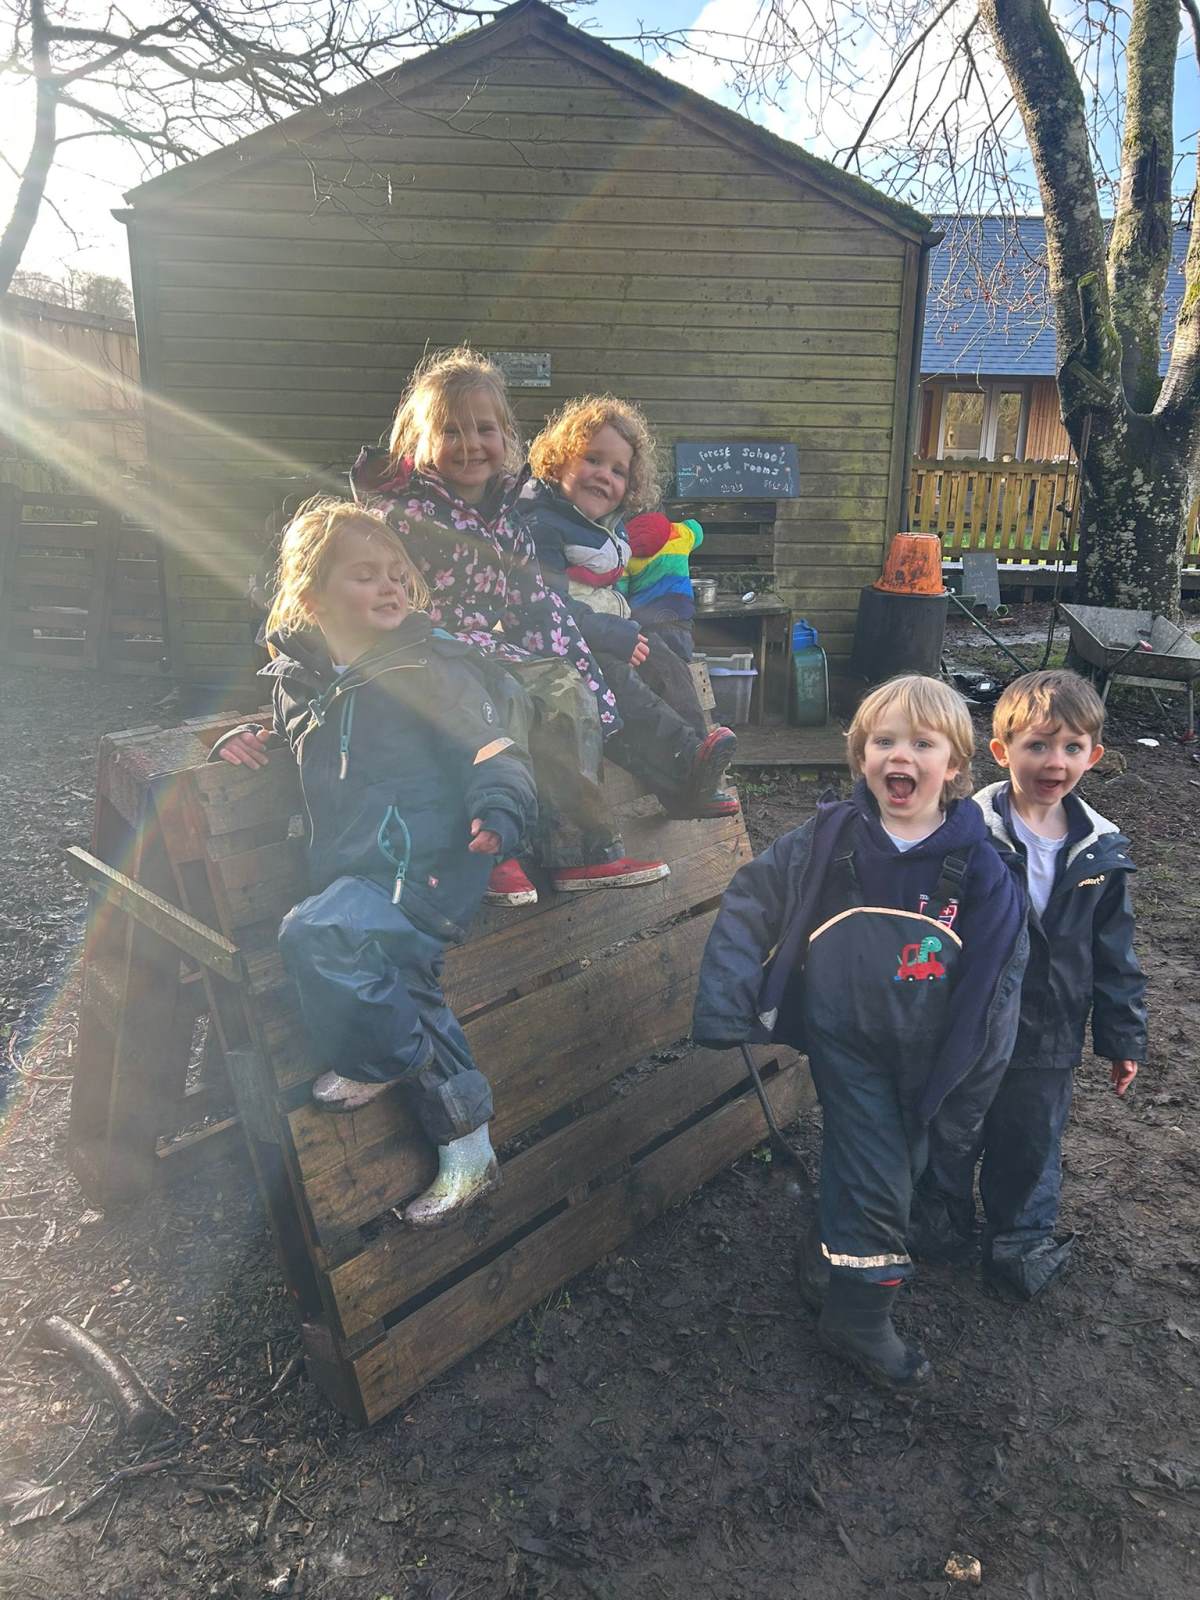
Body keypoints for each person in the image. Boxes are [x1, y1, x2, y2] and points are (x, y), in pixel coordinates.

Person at [693, 675, 1028, 1392]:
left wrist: (962, 1084)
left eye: (922, 744)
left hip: (929, 1052)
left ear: (955, 765)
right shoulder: (830, 838)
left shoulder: (981, 867)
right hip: (845, 1038)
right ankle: (859, 1317)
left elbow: (995, 984)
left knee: (897, 1162)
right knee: (878, 1173)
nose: (899, 756)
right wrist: (726, 1000)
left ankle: (828, 1255)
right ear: (861, 755)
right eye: (883, 741)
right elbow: (751, 899)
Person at [212, 498, 537, 1228]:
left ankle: (382, 1058)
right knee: (409, 990)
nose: (390, 587)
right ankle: (471, 1153)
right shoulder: (301, 679)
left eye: (396, 572)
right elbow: (311, 731)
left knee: (317, 932)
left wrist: (500, 804)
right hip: (359, 866)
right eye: (365, 575)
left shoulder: (431, 668)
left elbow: (492, 747)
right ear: (313, 598)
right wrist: (243, 738)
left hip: (428, 865)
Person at [351, 351, 730, 900]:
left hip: (486, 646)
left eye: (484, 429)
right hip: (418, 653)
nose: (469, 444)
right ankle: (491, 854)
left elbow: (536, 605)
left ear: (507, 435)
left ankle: (582, 853)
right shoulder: (403, 515)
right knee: (497, 695)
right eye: (451, 430)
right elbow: (355, 585)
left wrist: (586, 677)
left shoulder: (507, 517)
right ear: (421, 439)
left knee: (564, 688)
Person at [916, 670, 1147, 1298]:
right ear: (1002, 750)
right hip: (970, 1026)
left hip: (1050, 1031)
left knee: (1030, 1141)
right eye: (1038, 745)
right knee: (952, 1129)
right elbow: (931, 923)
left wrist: (1122, 1037)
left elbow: (1115, 954)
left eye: (1072, 747)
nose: (1054, 762)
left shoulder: (1101, 851)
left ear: (1093, 756)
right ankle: (939, 1220)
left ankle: (1019, 1242)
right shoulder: (966, 832)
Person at [519, 394, 736, 819]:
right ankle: (686, 761)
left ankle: (700, 762)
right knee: (616, 676)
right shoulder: (542, 522)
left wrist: (638, 626)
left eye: (618, 471)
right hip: (564, 645)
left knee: (667, 660)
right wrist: (614, 634)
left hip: (608, 632)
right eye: (593, 460)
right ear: (559, 461)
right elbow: (547, 603)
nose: (605, 475)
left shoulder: (604, 527)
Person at [620, 511, 704, 664]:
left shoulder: (626, 551)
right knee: (682, 664)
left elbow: (621, 590)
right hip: (678, 614)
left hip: (645, 621)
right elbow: (697, 530)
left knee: (653, 666)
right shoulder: (679, 534)